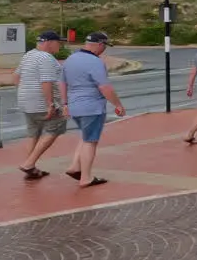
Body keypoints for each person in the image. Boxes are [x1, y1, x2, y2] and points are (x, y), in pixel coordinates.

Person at [61, 31, 126, 188]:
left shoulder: (70, 59)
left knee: (85, 136)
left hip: (74, 106)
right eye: (104, 46)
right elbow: (104, 87)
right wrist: (118, 105)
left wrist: (65, 104)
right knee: (91, 141)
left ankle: (75, 166)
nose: (104, 50)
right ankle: (86, 177)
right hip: (92, 107)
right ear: (99, 44)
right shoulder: (95, 62)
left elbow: (62, 82)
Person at [12, 30, 67, 180]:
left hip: (26, 101)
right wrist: (50, 104)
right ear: (49, 42)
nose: (60, 46)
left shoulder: (28, 55)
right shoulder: (46, 58)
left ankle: (31, 166)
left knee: (33, 133)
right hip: (41, 103)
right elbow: (46, 82)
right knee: (55, 127)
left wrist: (26, 90)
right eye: (58, 43)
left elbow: (16, 77)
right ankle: (29, 164)